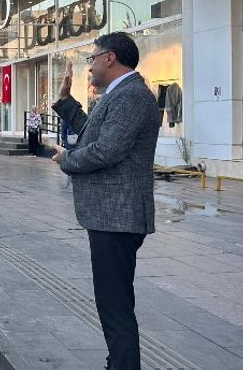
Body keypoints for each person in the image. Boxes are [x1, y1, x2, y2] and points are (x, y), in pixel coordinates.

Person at [51, 32, 160, 370]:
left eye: (92, 57)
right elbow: (95, 133)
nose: (90, 65)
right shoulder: (120, 94)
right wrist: (66, 102)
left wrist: (67, 159)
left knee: (115, 307)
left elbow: (107, 150)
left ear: (110, 58)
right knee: (113, 302)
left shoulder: (131, 96)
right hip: (111, 216)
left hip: (119, 216)